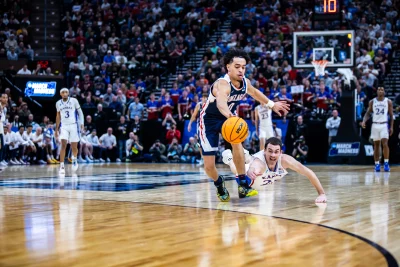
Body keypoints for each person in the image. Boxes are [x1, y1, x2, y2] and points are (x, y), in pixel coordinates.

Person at [199, 48, 290, 202]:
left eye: (243, 67)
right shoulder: (222, 84)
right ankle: (219, 183)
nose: (241, 70)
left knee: (237, 142)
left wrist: (271, 104)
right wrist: (230, 116)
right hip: (209, 122)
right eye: (237, 66)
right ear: (228, 67)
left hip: (228, 120)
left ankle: (243, 184)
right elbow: (221, 103)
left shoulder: (245, 83)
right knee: (209, 166)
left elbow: (254, 93)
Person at [222, 137, 327, 203]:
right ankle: (230, 158)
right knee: (237, 170)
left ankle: (245, 154)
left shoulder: (285, 160)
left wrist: (321, 193)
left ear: (281, 152)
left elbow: (308, 173)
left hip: (262, 182)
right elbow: (256, 165)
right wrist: (251, 170)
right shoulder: (260, 162)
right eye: (270, 151)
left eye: (276, 151)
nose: (273, 155)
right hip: (252, 176)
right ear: (264, 151)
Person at [362, 86, 394, 172]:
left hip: (384, 125)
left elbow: (391, 115)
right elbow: (368, 113)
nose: (380, 91)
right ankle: (377, 164)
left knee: (385, 143)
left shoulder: (388, 101)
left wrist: (391, 127)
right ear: (377, 91)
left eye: (382, 89)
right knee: (376, 145)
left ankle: (386, 163)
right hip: (375, 125)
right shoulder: (372, 102)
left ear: (384, 92)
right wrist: (364, 121)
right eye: (379, 89)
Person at [55, 88, 84, 175]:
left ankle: (74, 159)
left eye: (66, 92)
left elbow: (80, 112)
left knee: (74, 146)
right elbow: (58, 116)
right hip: (64, 126)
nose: (64, 93)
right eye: (63, 92)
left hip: (74, 125)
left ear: (68, 93)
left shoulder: (74, 101)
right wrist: (56, 129)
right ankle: (62, 165)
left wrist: (82, 123)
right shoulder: (58, 103)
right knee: (63, 144)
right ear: (60, 94)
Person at [187, 93, 208, 166]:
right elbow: (193, 115)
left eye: (206, 97)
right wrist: (189, 124)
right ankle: (202, 157)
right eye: (203, 97)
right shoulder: (199, 105)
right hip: (200, 126)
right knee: (199, 142)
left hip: (209, 126)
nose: (204, 99)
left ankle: (209, 159)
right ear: (201, 98)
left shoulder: (211, 104)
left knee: (208, 142)